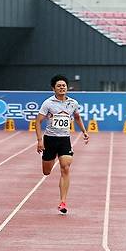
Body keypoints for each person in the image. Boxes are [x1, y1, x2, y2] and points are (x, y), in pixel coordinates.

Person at [35, 75, 89, 214]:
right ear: (53, 88)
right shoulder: (48, 103)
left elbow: (77, 117)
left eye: (64, 85)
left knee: (65, 167)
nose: (62, 88)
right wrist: (40, 141)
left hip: (65, 140)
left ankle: (63, 201)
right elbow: (38, 122)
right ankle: (49, 162)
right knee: (46, 171)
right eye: (59, 86)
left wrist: (84, 131)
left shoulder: (73, 103)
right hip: (50, 140)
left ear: (67, 87)